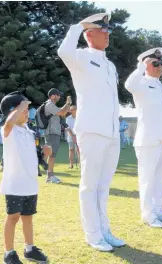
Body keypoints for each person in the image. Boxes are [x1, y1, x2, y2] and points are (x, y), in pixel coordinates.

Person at [58, 13, 125, 252]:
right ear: (89, 34)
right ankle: (93, 234)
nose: (107, 34)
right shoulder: (80, 57)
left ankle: (105, 230)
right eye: (102, 30)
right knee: (89, 185)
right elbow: (63, 51)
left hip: (111, 132)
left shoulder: (109, 64)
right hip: (92, 129)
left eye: (108, 31)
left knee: (103, 186)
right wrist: (78, 25)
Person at [125, 48, 162, 228]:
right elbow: (129, 85)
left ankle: (159, 210)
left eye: (160, 63)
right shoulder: (141, 83)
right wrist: (142, 65)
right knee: (147, 179)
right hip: (148, 140)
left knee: (161, 178)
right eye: (155, 63)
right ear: (146, 65)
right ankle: (148, 214)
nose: (159, 66)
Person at [0, 91, 51, 264]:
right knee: (13, 217)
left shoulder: (29, 132)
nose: (26, 112)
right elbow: (8, 126)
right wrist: (20, 105)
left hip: (30, 183)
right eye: (23, 109)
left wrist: (43, 151)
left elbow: (32, 155)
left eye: (27, 109)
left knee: (28, 217)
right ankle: (9, 253)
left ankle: (29, 249)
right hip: (15, 183)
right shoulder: (9, 130)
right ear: (12, 111)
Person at [44, 88, 71, 184]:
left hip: (54, 132)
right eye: (58, 95)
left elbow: (62, 113)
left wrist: (66, 106)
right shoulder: (49, 104)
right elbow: (62, 112)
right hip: (52, 133)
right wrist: (67, 104)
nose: (59, 97)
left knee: (50, 154)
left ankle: (49, 175)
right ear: (53, 96)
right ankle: (50, 175)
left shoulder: (52, 105)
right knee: (51, 155)